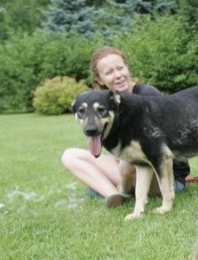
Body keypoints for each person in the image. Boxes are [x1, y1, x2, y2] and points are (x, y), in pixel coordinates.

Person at [61, 46, 190, 207]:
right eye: (109, 72)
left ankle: (116, 188)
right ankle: (114, 196)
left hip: (165, 175)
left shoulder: (147, 95)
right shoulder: (104, 103)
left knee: (127, 160)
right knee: (70, 156)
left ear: (127, 68)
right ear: (99, 79)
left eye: (120, 68)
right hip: (128, 167)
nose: (118, 75)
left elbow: (157, 154)